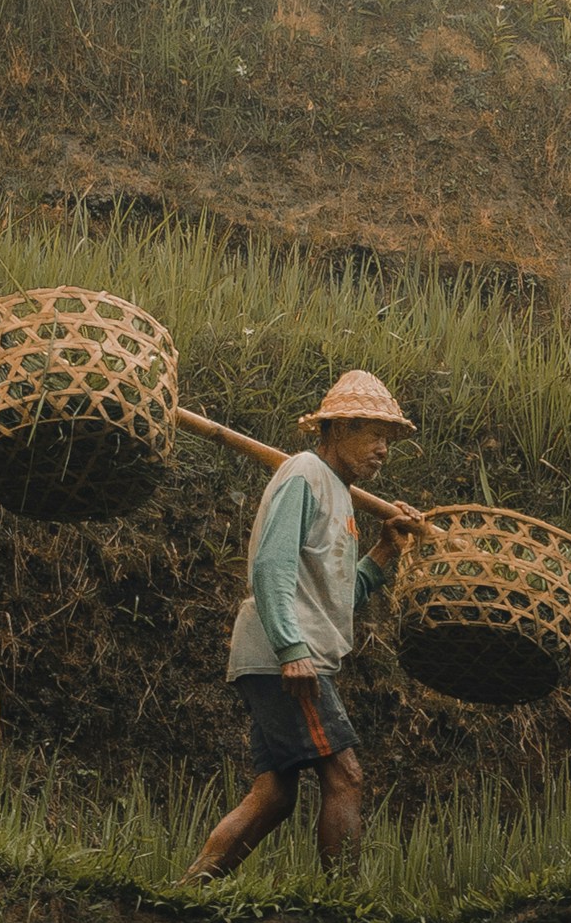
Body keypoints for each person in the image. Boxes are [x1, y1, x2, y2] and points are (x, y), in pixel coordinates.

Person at [182, 370, 429, 882]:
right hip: (286, 656)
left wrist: (385, 548)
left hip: (285, 653)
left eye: (389, 439)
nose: (383, 449)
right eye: (373, 434)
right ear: (337, 429)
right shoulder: (304, 474)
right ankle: (343, 906)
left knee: (274, 793)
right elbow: (272, 566)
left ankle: (189, 889)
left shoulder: (339, 493)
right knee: (346, 777)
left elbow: (341, 591)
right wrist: (292, 648)